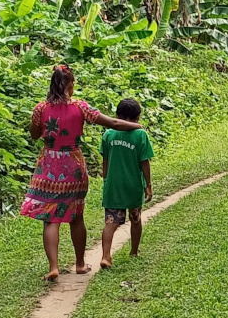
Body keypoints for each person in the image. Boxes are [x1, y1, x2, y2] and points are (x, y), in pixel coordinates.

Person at [22, 64, 142, 282]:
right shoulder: (80, 107)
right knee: (76, 216)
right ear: (70, 85)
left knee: (50, 219)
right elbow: (113, 122)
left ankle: (53, 267)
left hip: (48, 165)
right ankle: (79, 264)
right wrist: (137, 126)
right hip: (73, 165)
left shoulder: (41, 108)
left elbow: (34, 134)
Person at [99, 98, 154, 269]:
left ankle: (106, 256)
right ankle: (134, 251)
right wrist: (148, 184)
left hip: (113, 186)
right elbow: (144, 161)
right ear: (138, 117)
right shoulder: (140, 135)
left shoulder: (108, 134)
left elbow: (105, 161)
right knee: (135, 218)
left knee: (110, 222)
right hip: (133, 185)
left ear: (117, 115)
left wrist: (106, 178)